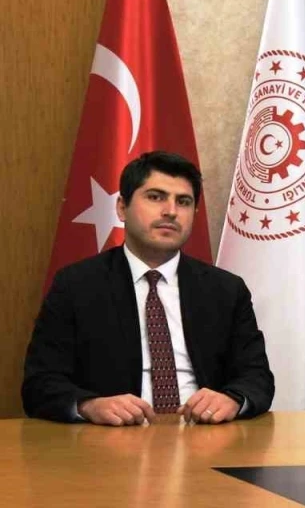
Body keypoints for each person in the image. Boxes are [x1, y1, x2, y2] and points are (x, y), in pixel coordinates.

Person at [22, 151, 274, 425]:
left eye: (184, 202)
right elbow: (40, 383)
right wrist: (89, 405)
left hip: (205, 434)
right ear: (122, 207)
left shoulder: (225, 290)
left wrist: (233, 399)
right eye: (155, 197)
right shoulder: (76, 285)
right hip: (111, 439)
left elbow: (257, 377)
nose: (171, 211)